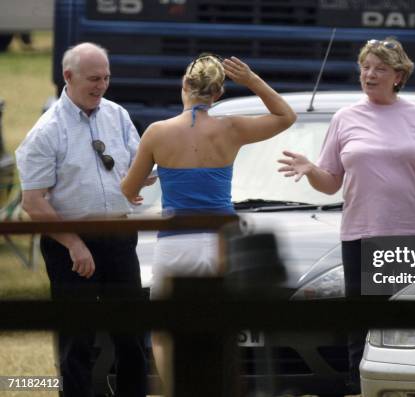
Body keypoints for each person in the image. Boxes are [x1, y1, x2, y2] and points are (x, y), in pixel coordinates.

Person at [277, 37, 415, 393]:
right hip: (363, 235)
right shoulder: (345, 118)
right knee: (364, 327)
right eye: (365, 67)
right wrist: (310, 169)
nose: (369, 74)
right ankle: (361, 387)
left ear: (398, 76)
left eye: (379, 69)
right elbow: (330, 183)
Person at [120, 54, 296, 391]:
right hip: (221, 241)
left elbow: (128, 189)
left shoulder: (157, 132)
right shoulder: (231, 127)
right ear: (217, 94)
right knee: (221, 328)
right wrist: (252, 80)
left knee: (163, 330)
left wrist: (145, 181)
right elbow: (286, 116)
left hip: (175, 242)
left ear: (184, 85)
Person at [15, 43, 148, 397]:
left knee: (132, 336)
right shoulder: (46, 132)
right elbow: (33, 202)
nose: (101, 85)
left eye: (106, 77)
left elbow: (137, 165)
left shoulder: (117, 115)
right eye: (93, 78)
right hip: (70, 245)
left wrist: (146, 174)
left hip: (120, 237)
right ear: (68, 77)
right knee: (78, 339)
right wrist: (74, 244)